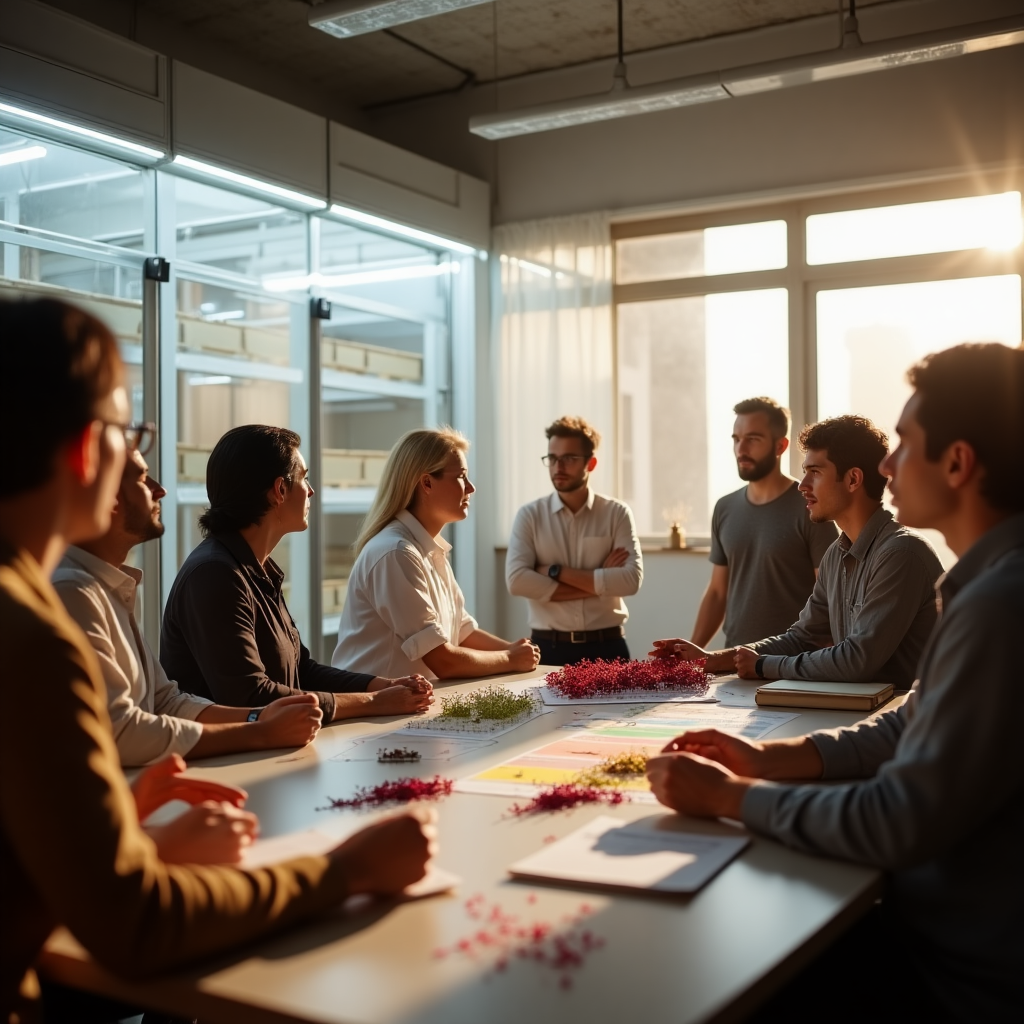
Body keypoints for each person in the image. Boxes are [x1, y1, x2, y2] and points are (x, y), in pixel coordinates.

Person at [0, 297, 435, 1024]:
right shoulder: (35, 634)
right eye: (128, 431)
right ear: (84, 448)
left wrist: (121, 825)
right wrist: (343, 870)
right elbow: (136, 925)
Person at [646, 343, 1024, 1023]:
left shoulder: (998, 604)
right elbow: (912, 720)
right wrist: (773, 756)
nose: (886, 465)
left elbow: (897, 817)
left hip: (957, 967)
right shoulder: (982, 587)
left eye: (904, 443)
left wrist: (735, 797)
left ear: (959, 463)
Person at [54, 444, 324, 767]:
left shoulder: (108, 587)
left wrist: (257, 718)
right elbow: (121, 731)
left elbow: (165, 701)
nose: (160, 489)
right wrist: (260, 732)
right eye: (143, 479)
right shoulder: (74, 591)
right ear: (109, 498)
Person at [161, 424, 433, 722]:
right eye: (304, 478)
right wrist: (373, 702)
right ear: (279, 490)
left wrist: (382, 685)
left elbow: (303, 671)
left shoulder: (255, 569)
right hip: (228, 765)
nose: (312, 490)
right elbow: (250, 696)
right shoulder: (214, 575)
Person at [652, 414, 942, 686]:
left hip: (904, 726)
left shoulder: (901, 553)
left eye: (815, 472)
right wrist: (711, 659)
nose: (803, 485)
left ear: (853, 479)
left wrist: (763, 665)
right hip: (861, 715)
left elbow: (857, 659)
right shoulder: (836, 555)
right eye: (805, 472)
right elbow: (801, 638)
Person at [332, 427, 541, 680]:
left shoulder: (428, 549)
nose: (471, 488)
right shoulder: (396, 553)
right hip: (378, 715)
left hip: (407, 709)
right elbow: (444, 661)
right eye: (462, 477)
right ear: (427, 483)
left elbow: (462, 632)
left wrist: (514, 650)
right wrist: (510, 658)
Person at [692, 397, 837, 648]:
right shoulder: (724, 508)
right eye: (736, 439)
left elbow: (832, 598)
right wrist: (692, 654)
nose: (741, 449)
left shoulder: (811, 508)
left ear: (780, 446)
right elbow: (717, 592)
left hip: (792, 666)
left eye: (753, 439)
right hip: (734, 660)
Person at [505, 415, 642, 666]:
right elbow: (517, 582)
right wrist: (600, 578)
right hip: (548, 649)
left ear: (591, 463)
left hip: (608, 647)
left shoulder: (616, 513)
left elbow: (630, 581)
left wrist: (556, 572)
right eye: (553, 458)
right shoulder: (530, 515)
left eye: (569, 458)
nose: (558, 466)